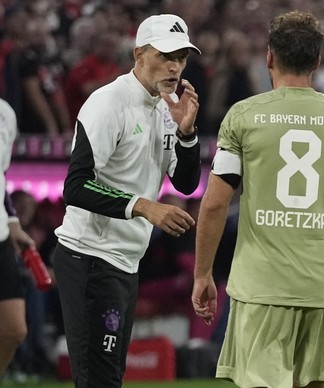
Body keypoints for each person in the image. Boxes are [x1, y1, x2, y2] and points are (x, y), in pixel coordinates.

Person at [192, 10, 324, 388]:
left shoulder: (243, 117)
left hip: (262, 289)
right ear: (317, 61)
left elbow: (214, 204)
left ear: (269, 57)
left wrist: (203, 273)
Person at [52, 14, 203, 387]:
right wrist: (144, 205)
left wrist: (187, 135)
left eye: (181, 58)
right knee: (99, 379)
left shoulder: (165, 109)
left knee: (109, 377)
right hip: (89, 256)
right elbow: (75, 186)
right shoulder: (108, 103)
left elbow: (185, 184)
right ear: (138, 54)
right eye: (165, 55)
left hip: (124, 261)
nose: (175, 67)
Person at [0, 97, 35, 377]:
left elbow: (1, 174)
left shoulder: (5, 113)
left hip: (0, 234)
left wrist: (12, 221)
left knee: (14, 329)